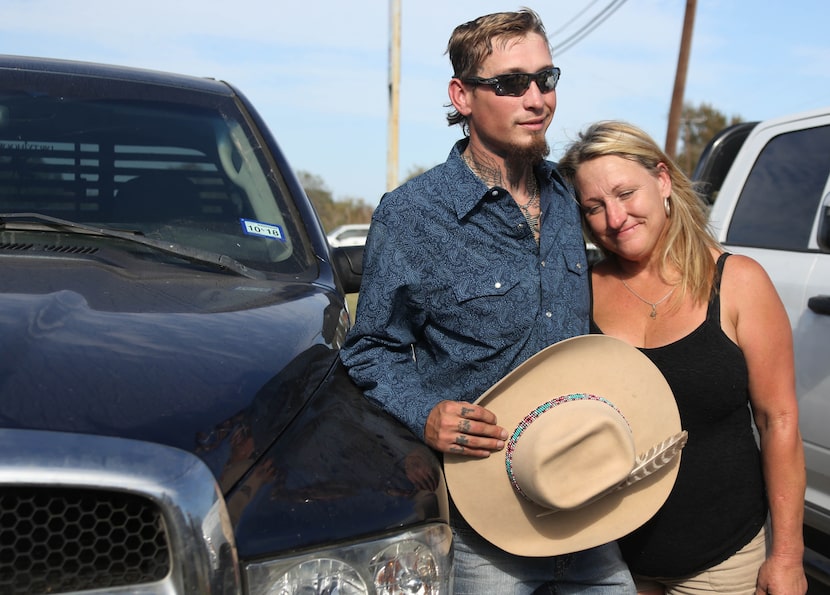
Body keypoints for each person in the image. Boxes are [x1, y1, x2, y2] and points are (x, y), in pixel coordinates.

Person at [340, 8, 635, 594]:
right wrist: (423, 411)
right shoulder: (411, 216)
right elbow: (371, 350)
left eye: (545, 79)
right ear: (463, 96)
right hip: (487, 526)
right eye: (509, 84)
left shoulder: (570, 196)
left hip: (588, 500)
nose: (536, 99)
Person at [557, 120, 808, 595]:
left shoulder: (738, 282)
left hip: (720, 564)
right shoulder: (579, 293)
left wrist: (788, 557)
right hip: (606, 567)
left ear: (663, 180)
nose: (615, 218)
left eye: (626, 193)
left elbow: (780, 421)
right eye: (594, 207)